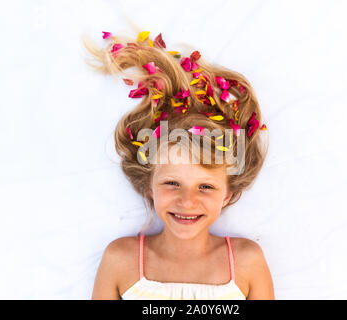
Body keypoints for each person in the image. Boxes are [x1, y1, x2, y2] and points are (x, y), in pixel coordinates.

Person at [82, 29, 274, 300]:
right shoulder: (119, 260)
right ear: (149, 185)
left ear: (227, 193)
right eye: (172, 183)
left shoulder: (247, 262)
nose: (187, 201)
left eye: (205, 186)